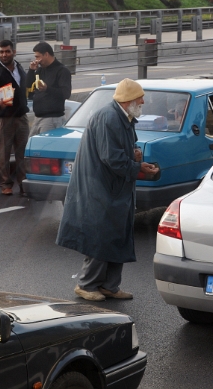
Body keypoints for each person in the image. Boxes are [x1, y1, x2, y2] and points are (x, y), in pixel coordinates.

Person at [56, 78, 159, 301]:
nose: (143, 101)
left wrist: (134, 156)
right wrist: (137, 166)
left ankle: (110, 286)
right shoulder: (109, 118)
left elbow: (118, 151)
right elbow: (111, 158)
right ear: (128, 100)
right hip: (100, 187)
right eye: (140, 98)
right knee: (100, 235)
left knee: (117, 234)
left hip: (115, 187)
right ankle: (86, 284)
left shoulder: (125, 117)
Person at [0, 40, 30, 196]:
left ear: (14, 52)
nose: (4, 54)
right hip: (2, 119)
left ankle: (24, 183)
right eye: (1, 52)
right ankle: (5, 184)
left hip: (21, 117)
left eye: (7, 51)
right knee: (3, 154)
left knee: (22, 153)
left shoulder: (19, 68)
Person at [25, 42, 72, 137]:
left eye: (38, 57)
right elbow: (28, 86)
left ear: (46, 54)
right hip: (38, 117)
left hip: (52, 118)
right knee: (31, 146)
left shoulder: (62, 71)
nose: (36, 60)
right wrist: (31, 70)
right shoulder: (40, 70)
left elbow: (66, 94)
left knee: (43, 147)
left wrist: (47, 89)